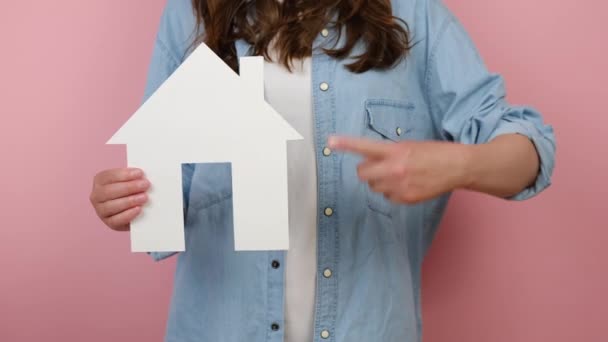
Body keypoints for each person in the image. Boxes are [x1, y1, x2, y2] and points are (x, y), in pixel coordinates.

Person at [89, 0, 556, 341]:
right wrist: (124, 199)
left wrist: (460, 163)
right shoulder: (190, 16)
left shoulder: (414, 15)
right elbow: (165, 184)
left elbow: (531, 150)